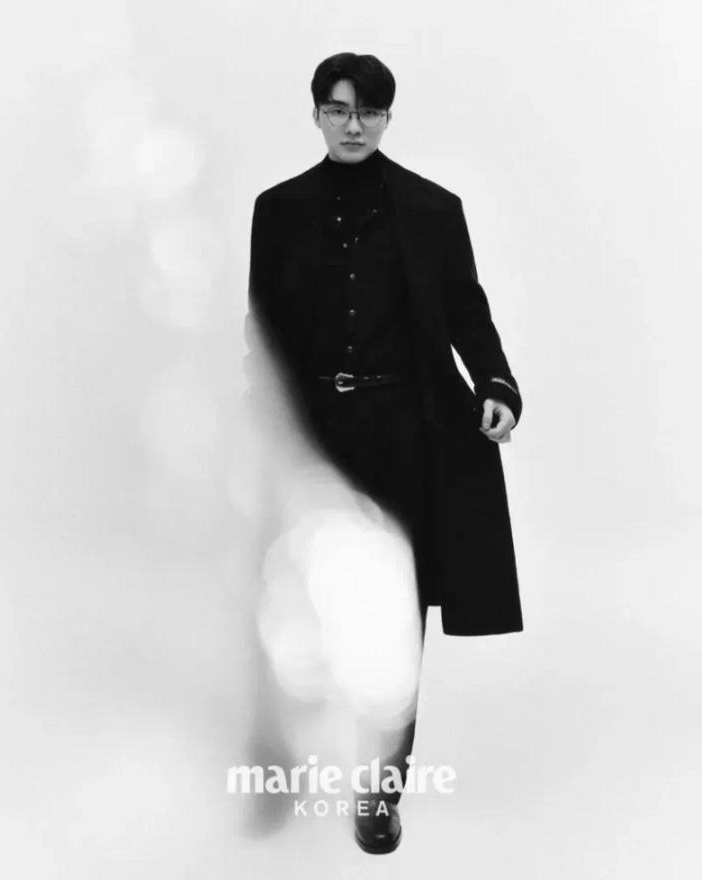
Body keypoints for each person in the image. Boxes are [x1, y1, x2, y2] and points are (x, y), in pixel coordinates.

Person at [245, 52, 524, 855]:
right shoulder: (278, 210)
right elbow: (262, 328)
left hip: (407, 433)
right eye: (338, 109)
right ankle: (279, 767)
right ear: (316, 114)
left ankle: (379, 791)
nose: (353, 125)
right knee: (286, 601)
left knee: (396, 617)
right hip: (313, 437)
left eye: (369, 111)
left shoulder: (434, 210)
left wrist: (497, 384)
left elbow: (467, 312)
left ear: (388, 119)